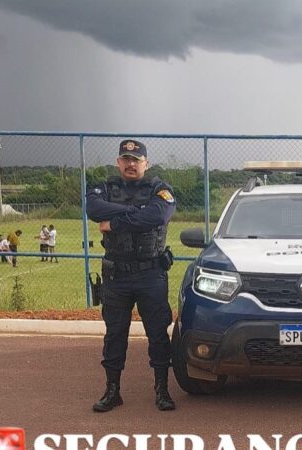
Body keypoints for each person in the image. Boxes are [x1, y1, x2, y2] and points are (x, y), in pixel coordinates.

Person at [86, 139, 177, 412]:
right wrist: (134, 211)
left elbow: (157, 217)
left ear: (145, 164)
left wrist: (113, 223)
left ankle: (162, 390)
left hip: (151, 274)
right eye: (125, 159)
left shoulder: (160, 189)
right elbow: (93, 210)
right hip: (117, 276)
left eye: (136, 160)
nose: (130, 164)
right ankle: (112, 391)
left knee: (158, 335)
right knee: (114, 335)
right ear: (118, 162)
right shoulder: (103, 188)